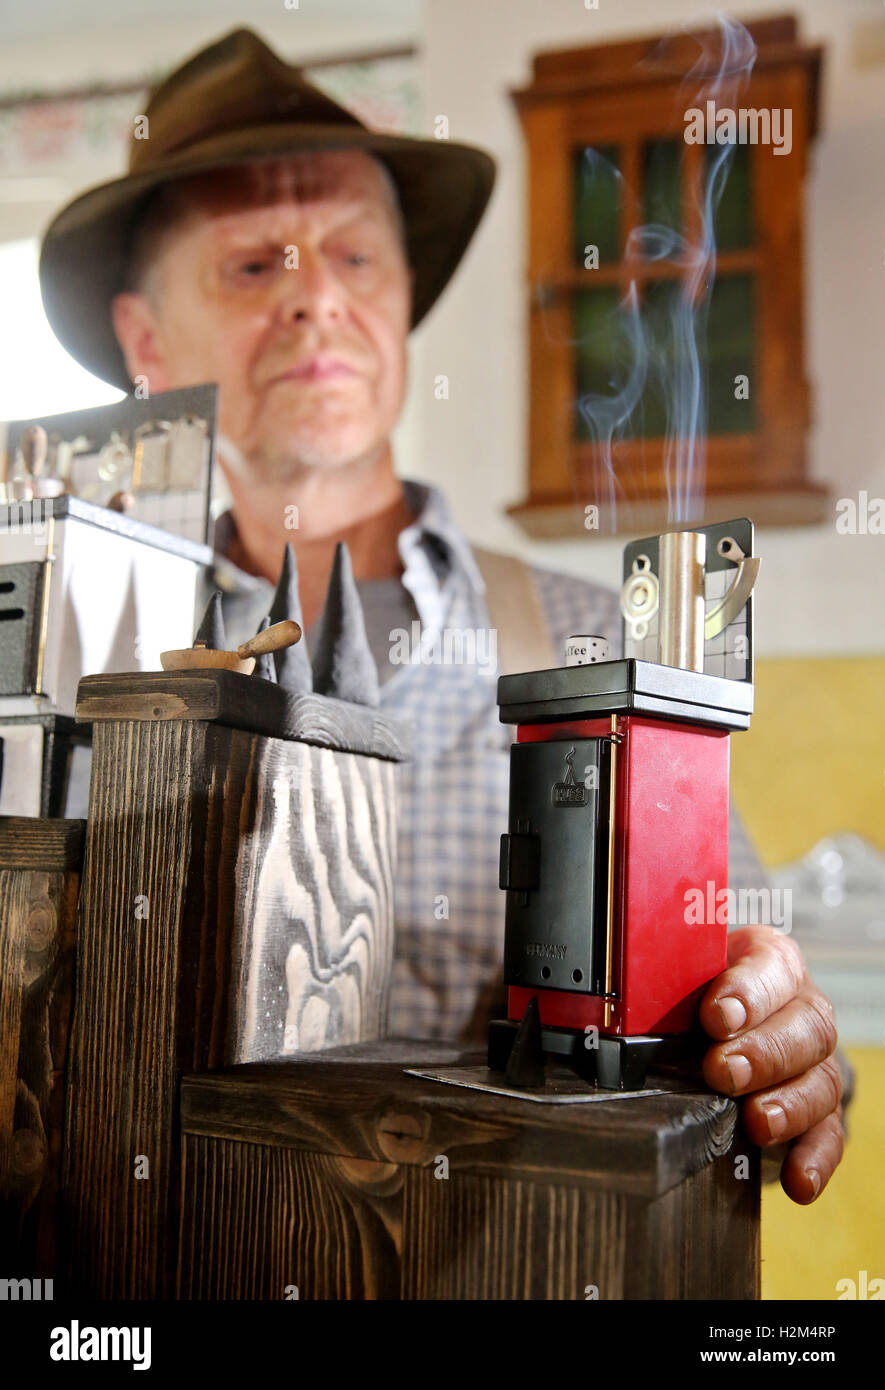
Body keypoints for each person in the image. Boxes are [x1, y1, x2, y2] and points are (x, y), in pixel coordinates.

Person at [40, 27, 845, 1204]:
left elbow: (747, 975)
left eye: (357, 256)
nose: (318, 294)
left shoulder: (601, 646)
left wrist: (783, 1034)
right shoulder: (67, 684)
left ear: (403, 299)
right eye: (255, 265)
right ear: (147, 344)